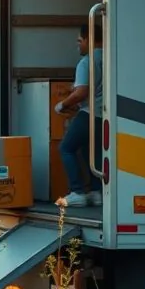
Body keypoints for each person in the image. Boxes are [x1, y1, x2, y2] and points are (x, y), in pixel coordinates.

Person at [54, 23, 104, 207]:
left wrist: (62, 104)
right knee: (92, 152)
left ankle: (77, 192)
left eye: (80, 41)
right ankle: (96, 191)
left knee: (66, 148)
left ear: (89, 39)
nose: (78, 46)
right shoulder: (111, 59)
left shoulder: (86, 62)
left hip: (89, 114)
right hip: (105, 116)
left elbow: (82, 91)